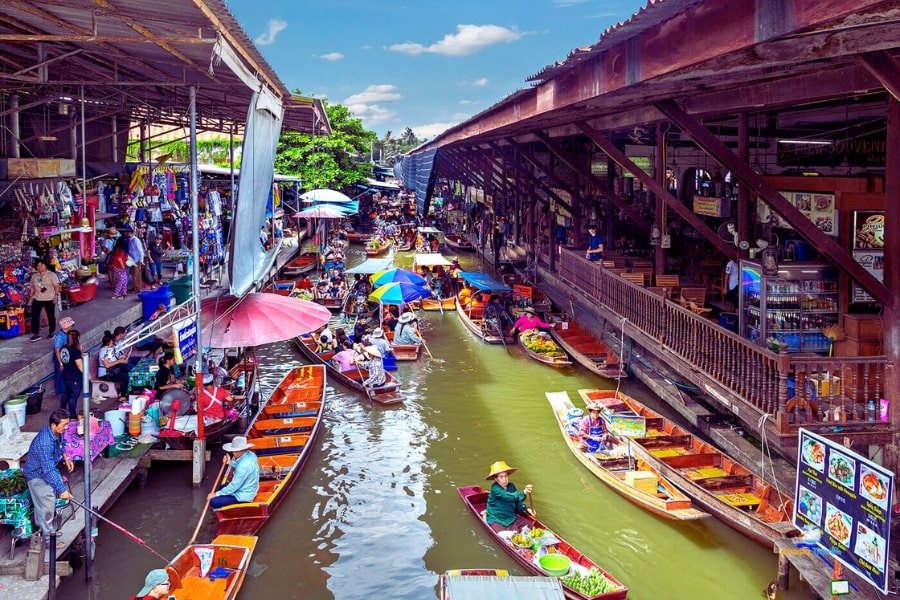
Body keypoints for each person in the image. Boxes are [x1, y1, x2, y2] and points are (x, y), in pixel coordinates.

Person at [23, 409, 74, 548]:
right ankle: (47, 540)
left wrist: (66, 458)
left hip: (46, 470)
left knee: (48, 503)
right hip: (37, 475)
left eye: (67, 424)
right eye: (64, 425)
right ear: (53, 425)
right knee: (46, 507)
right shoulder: (44, 442)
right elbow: (48, 470)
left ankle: (48, 531)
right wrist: (62, 490)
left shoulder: (57, 433)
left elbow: (61, 445)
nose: (66, 427)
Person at [208, 436, 259, 509]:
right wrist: (230, 462)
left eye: (236, 451)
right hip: (250, 488)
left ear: (243, 449)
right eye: (233, 451)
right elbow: (241, 467)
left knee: (213, 501)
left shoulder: (243, 466)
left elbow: (234, 486)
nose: (233, 453)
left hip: (244, 496)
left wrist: (216, 494)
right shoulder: (251, 454)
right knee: (222, 487)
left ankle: (232, 508)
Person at [484, 461, 534, 532]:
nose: (504, 479)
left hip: (510, 517)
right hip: (497, 518)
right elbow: (509, 497)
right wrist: (523, 492)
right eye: (501, 477)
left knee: (529, 525)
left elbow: (516, 501)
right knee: (506, 535)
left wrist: (527, 509)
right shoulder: (495, 488)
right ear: (496, 479)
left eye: (506, 476)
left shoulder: (511, 486)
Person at [29, 258, 60, 341]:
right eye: (38, 265)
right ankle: (36, 334)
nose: (39, 267)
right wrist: (30, 298)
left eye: (41, 265)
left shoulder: (51, 275)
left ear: (45, 266)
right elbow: (32, 287)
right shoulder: (34, 276)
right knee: (35, 316)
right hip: (37, 298)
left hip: (49, 298)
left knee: (50, 316)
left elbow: (56, 286)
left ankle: (52, 332)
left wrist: (56, 296)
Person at [59, 330, 83, 419]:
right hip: (75, 376)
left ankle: (61, 412)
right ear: (78, 338)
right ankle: (72, 415)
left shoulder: (63, 349)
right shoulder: (74, 351)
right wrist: (87, 374)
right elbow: (79, 364)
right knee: (73, 396)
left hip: (66, 375)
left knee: (66, 394)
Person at [98, 330, 130, 397]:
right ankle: (123, 396)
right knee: (125, 377)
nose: (114, 344)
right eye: (113, 342)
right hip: (106, 374)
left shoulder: (110, 349)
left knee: (128, 370)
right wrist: (119, 361)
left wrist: (120, 358)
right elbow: (107, 365)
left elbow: (112, 359)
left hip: (112, 371)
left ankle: (126, 391)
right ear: (108, 342)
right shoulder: (103, 352)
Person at [52, 316, 76, 397]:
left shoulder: (68, 334)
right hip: (60, 358)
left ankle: (66, 390)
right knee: (60, 374)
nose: (72, 326)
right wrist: (61, 363)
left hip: (66, 356)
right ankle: (60, 392)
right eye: (71, 325)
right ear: (67, 326)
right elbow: (57, 351)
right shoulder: (59, 337)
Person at [123, 224, 146, 295]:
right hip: (131, 259)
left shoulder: (136, 240)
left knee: (136, 274)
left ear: (130, 233)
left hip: (137, 260)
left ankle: (138, 288)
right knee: (133, 274)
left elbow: (140, 251)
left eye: (127, 232)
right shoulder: (129, 240)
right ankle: (135, 287)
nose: (126, 234)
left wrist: (141, 261)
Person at [110, 234, 130, 299]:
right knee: (122, 280)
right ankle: (115, 294)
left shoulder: (117, 248)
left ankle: (124, 293)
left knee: (124, 280)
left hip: (116, 266)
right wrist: (123, 267)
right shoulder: (121, 249)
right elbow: (119, 258)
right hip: (119, 267)